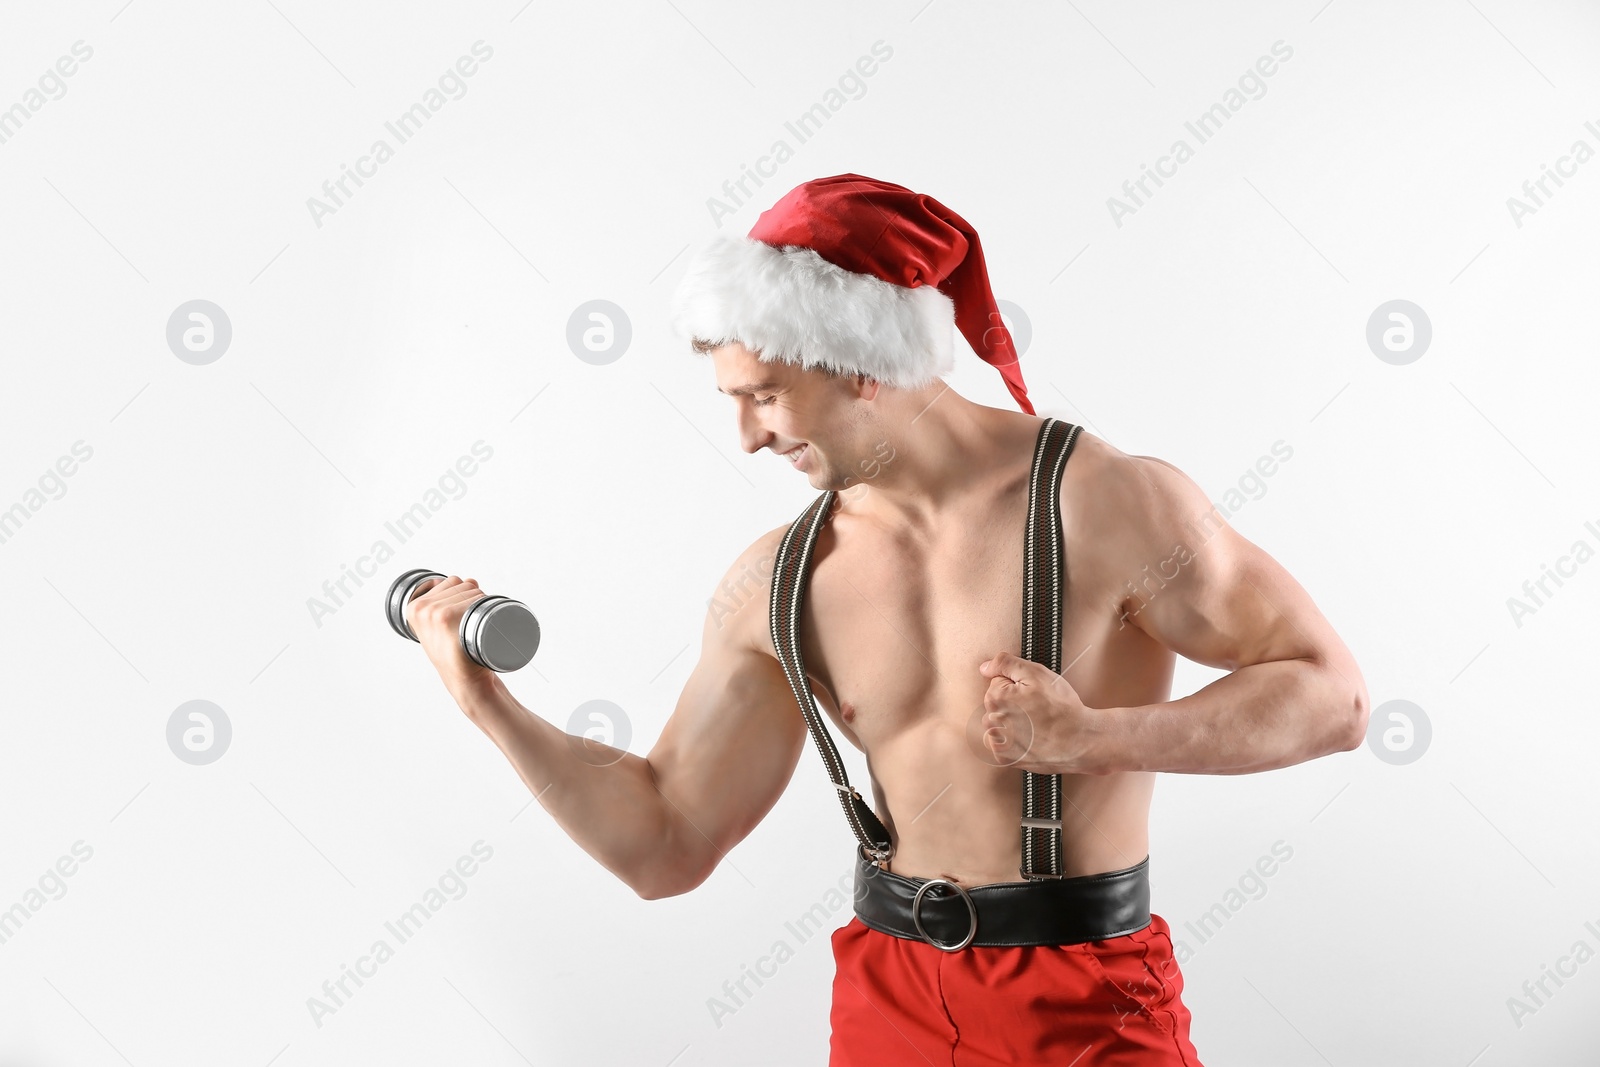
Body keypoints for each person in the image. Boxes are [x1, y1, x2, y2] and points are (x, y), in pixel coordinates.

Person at [403, 174, 1370, 1065]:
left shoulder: (1108, 504)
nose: (746, 437)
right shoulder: (779, 581)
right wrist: (488, 705)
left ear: (861, 363)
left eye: (767, 396)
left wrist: (1098, 737)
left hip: (1084, 1001)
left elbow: (1333, 696)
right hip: (889, 1000)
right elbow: (665, 842)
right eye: (733, 402)